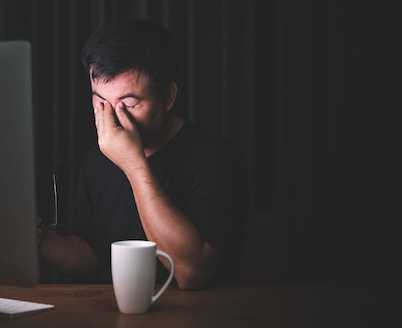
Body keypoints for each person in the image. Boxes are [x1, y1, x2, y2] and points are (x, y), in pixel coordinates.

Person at [37, 18, 248, 290]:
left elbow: (191, 272)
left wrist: (134, 164)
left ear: (169, 97)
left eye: (129, 104)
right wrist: (41, 240)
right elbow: (91, 256)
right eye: (100, 102)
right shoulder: (96, 160)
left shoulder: (218, 160)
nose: (112, 118)